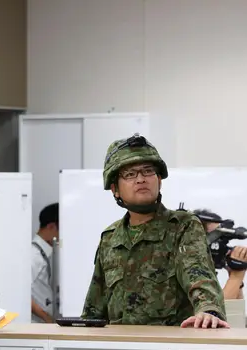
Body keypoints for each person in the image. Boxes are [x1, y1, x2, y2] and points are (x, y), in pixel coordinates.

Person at [81, 134, 228, 329]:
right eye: (130, 174)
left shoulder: (182, 226)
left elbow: (198, 273)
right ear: (115, 189)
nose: (141, 179)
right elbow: (94, 307)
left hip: (169, 349)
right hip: (118, 349)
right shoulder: (110, 238)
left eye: (148, 171)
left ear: (159, 180)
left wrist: (208, 310)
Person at [193, 208, 246, 300]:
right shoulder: (185, 270)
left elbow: (236, 311)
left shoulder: (206, 274)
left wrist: (236, 280)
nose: (221, 245)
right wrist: (236, 276)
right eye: (216, 236)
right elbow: (214, 311)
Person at [31, 203, 59, 323]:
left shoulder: (42, 254)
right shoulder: (33, 255)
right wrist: (46, 318)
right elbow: (22, 294)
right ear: (51, 226)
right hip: (36, 324)